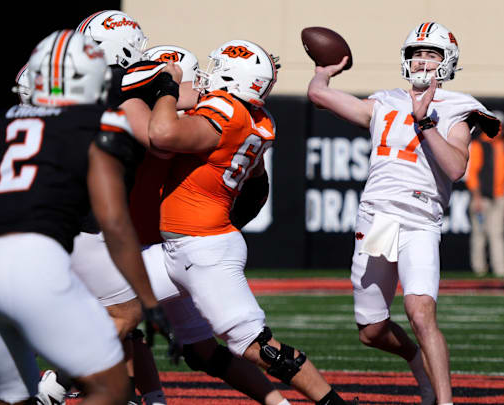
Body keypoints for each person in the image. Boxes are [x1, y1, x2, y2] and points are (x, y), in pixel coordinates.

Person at [147, 40, 351, 405]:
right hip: (179, 247)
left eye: (216, 67)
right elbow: (257, 187)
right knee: (110, 305)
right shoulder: (259, 120)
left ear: (231, 78)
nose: (207, 76)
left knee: (259, 348)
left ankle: (332, 403)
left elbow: (163, 134)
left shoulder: (224, 110)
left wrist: (163, 88)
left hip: (201, 250)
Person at [307, 22, 500, 405]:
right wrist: (323, 71)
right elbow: (319, 96)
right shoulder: (383, 101)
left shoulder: (459, 107)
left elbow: (456, 168)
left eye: (431, 54)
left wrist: (425, 121)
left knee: (420, 311)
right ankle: (416, 361)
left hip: (419, 217)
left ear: (448, 62)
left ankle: (444, 401)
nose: (422, 61)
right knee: (372, 330)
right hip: (377, 217)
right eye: (417, 53)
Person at [0, 29, 169, 405]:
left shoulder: (0, 121)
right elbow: (114, 223)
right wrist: (149, 302)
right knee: (111, 388)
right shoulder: (99, 124)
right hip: (36, 262)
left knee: (14, 395)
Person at [465, 110, 504, 277]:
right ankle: (479, 268)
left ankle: (501, 269)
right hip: (482, 197)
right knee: (480, 234)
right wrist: (476, 197)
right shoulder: (479, 145)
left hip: (500, 196)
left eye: (501, 126)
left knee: (497, 233)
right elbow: (472, 173)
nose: (499, 130)